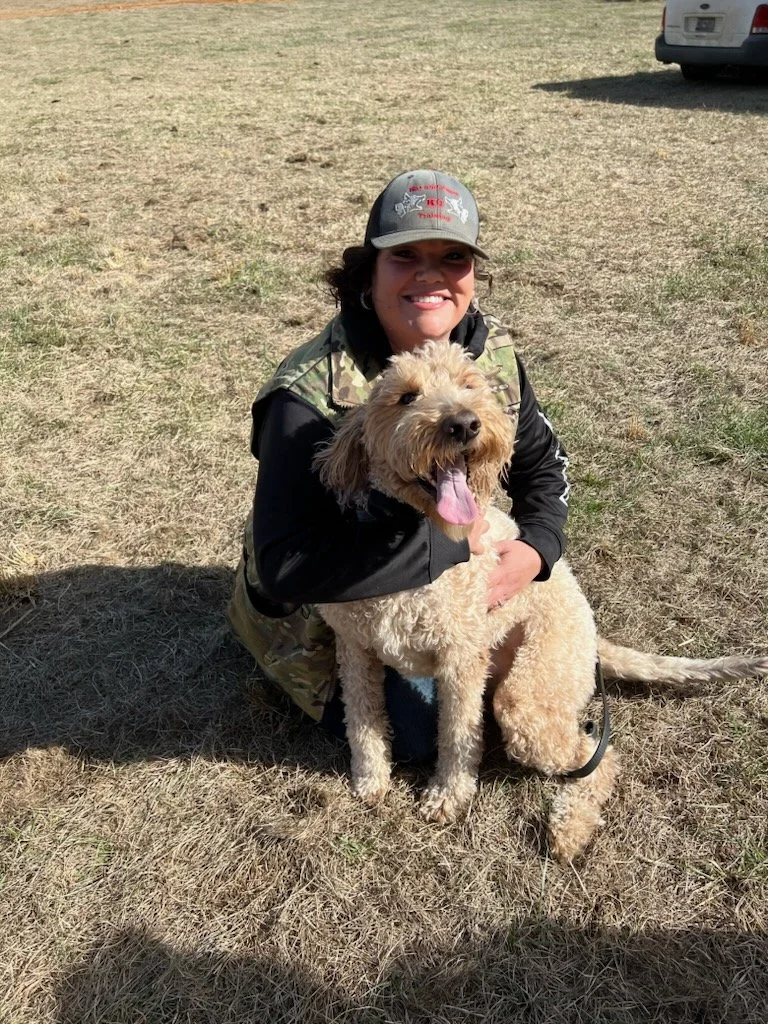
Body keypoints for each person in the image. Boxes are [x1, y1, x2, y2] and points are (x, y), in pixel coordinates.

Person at [228, 169, 570, 762]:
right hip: (323, 613)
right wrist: (458, 544)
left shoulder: (488, 356)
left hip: (441, 591)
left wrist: (536, 549)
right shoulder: (306, 396)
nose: (431, 275)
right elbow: (287, 567)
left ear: (472, 275)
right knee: (422, 735)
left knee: (522, 680)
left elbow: (541, 466)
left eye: (453, 257)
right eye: (405, 255)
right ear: (368, 275)